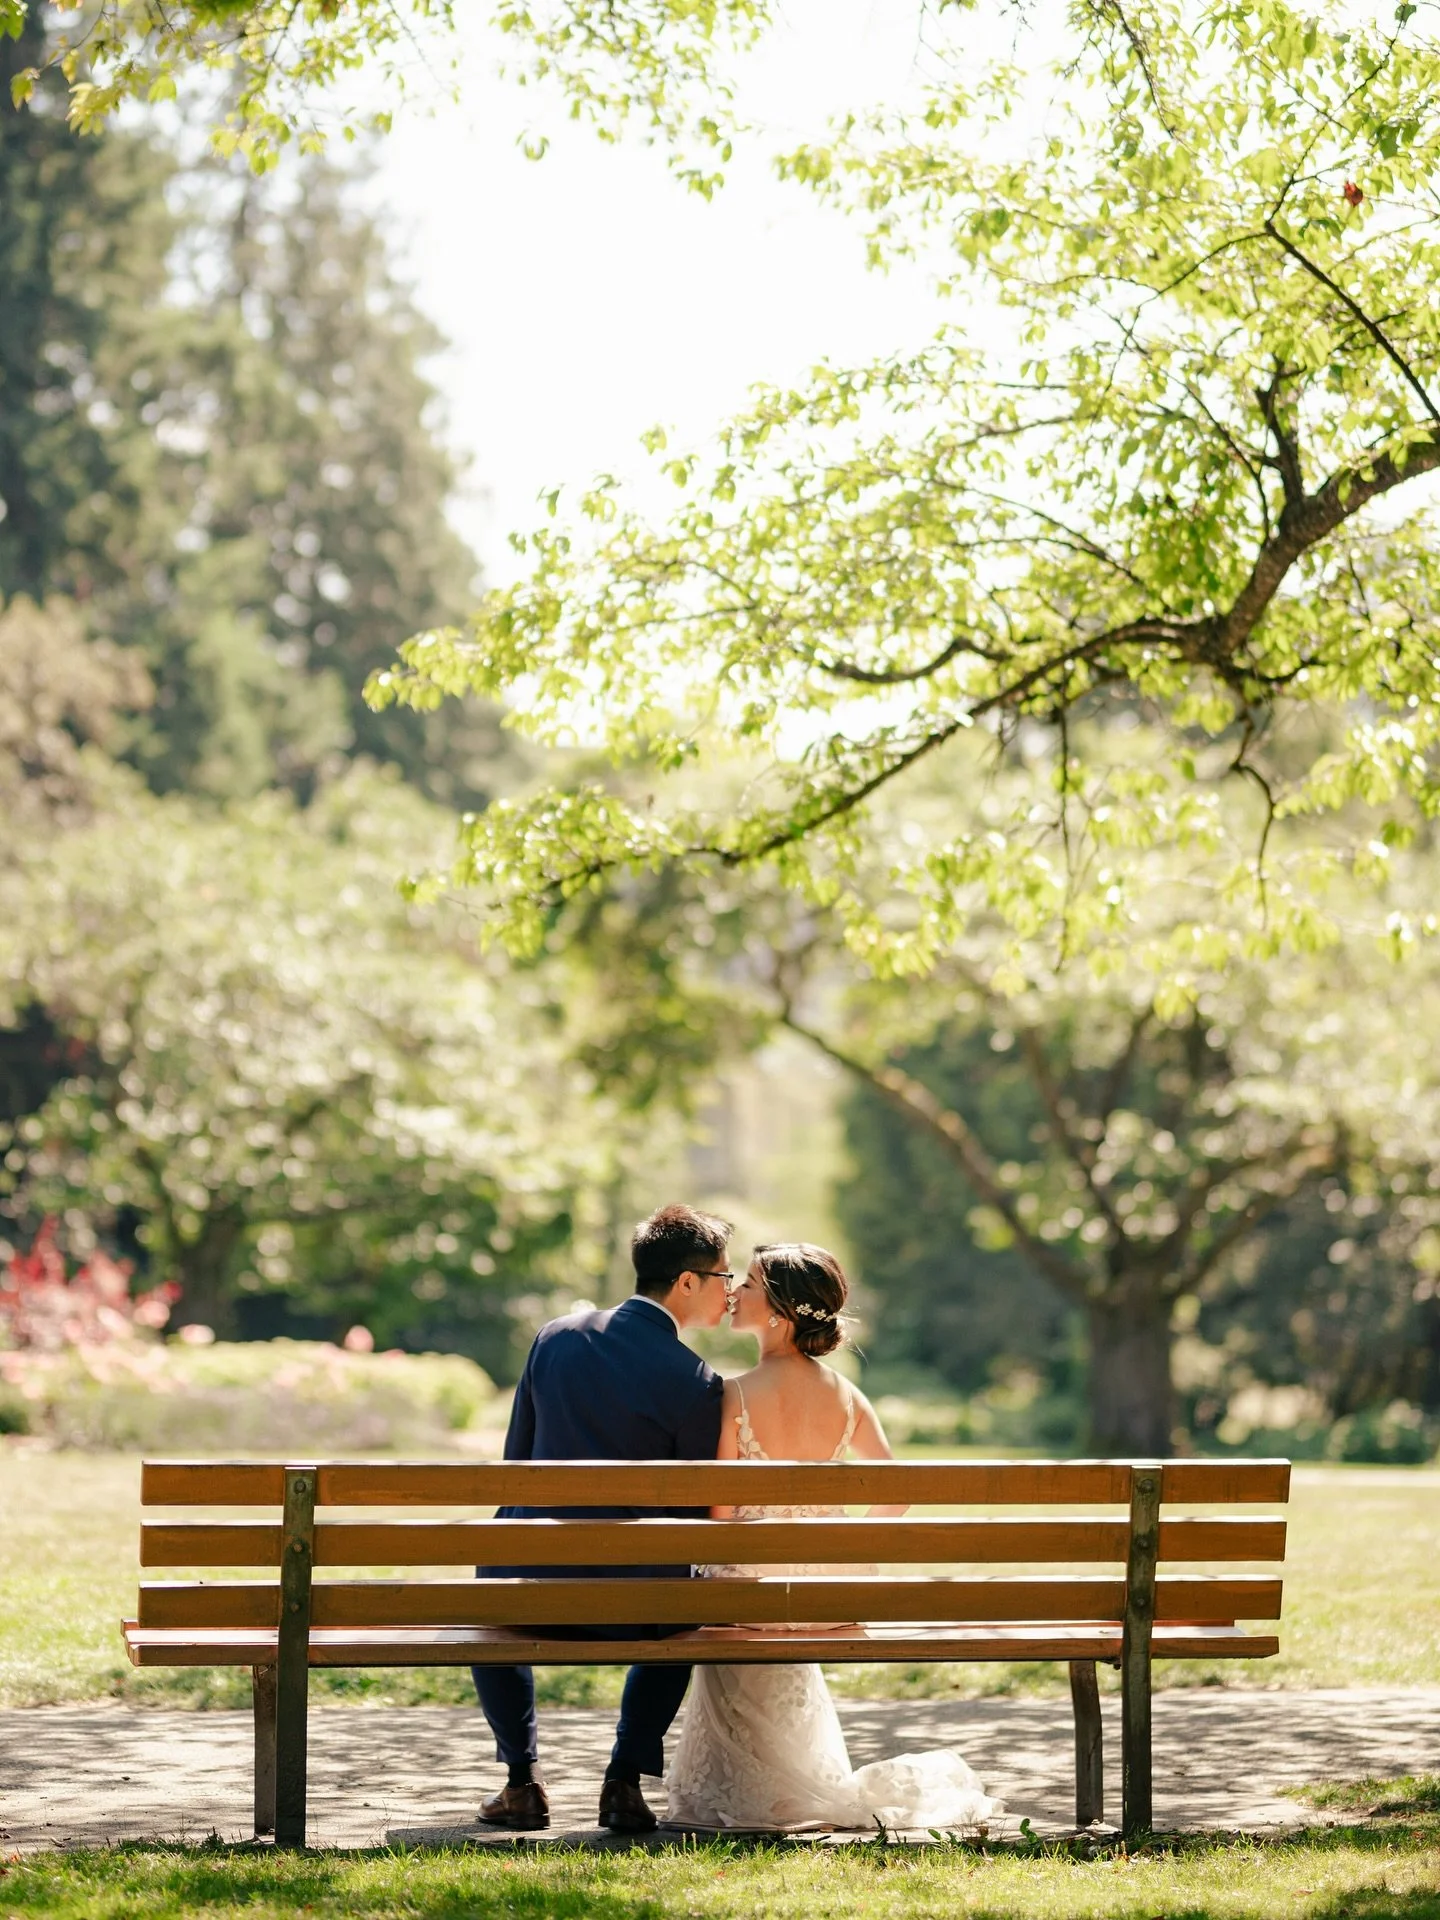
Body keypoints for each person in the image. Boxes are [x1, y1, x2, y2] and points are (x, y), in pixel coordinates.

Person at [664, 1242, 1000, 1832]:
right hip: (818, 1588)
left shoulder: (733, 1394)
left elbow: (718, 1515)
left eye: (749, 1284)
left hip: (748, 1592)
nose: (736, 1291)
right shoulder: (848, 1395)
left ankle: (753, 1789)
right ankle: (793, 1784)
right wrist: (838, 1553)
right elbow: (896, 1491)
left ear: (779, 1311)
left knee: (721, 1584)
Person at [474, 1202, 732, 1834]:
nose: (730, 1291)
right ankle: (622, 1783)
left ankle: (521, 1782)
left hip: (528, 1591)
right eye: (724, 1277)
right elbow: (692, 1515)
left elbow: (517, 1468)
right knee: (680, 1609)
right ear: (688, 1282)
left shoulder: (556, 1337)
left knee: (486, 1590)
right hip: (636, 1602)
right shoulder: (699, 1381)